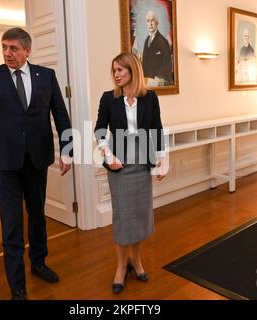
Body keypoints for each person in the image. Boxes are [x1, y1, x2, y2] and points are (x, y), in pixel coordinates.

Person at [0, 27, 73, 300]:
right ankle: (17, 286)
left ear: (27, 50)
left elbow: (61, 114)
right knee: (11, 225)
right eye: (4, 47)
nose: (7, 53)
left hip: (37, 159)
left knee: (37, 217)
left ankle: (39, 263)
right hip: (4, 163)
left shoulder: (46, 76)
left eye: (13, 48)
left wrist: (67, 150)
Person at [94, 52, 166, 294]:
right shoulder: (109, 98)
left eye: (120, 70)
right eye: (113, 71)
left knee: (139, 213)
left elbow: (156, 127)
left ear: (132, 71)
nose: (116, 75)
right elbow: (99, 130)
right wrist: (107, 155)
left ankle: (136, 260)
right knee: (123, 216)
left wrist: (161, 160)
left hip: (142, 162)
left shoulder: (150, 98)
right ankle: (120, 265)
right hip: (119, 164)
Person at [142, 10, 173, 86]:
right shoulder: (146, 41)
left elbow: (167, 65)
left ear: (157, 22)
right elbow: (144, 63)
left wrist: (157, 82)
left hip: (157, 82)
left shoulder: (163, 41)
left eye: (153, 20)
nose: (150, 24)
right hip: (146, 83)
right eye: (148, 21)